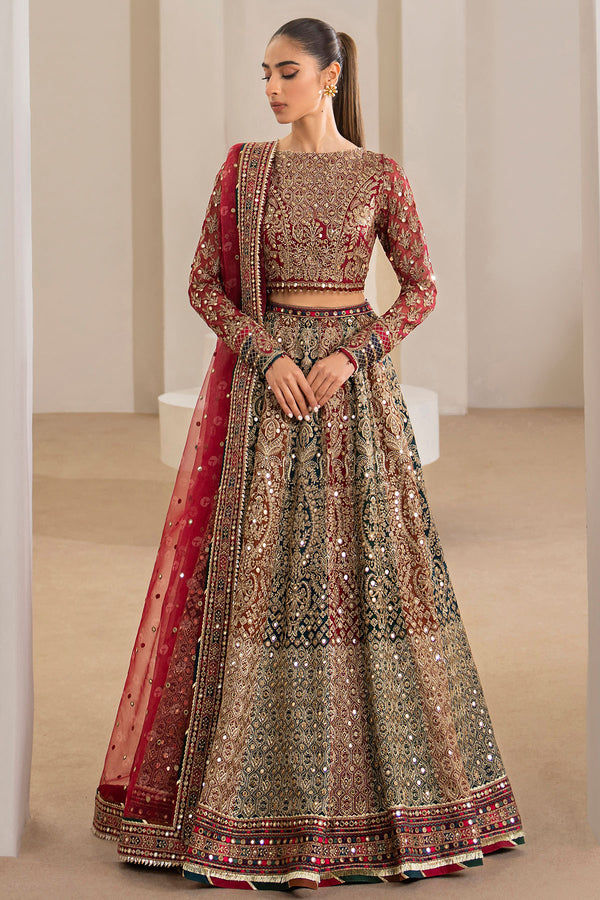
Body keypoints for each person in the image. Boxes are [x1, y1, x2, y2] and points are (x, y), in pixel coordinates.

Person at [91, 17, 526, 891]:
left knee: (368, 574)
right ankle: (246, 798)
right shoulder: (244, 169)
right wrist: (268, 355)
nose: (271, 88)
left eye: (286, 72)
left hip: (350, 391)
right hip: (271, 388)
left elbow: (422, 288)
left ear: (330, 77)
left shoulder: (379, 175)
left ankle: (386, 797)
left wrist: (351, 354)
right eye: (264, 74)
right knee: (262, 575)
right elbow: (202, 285)